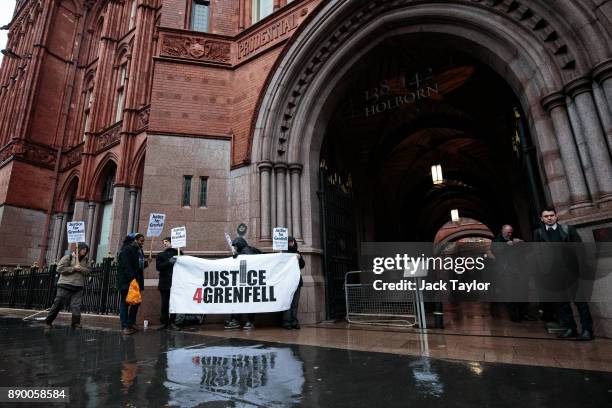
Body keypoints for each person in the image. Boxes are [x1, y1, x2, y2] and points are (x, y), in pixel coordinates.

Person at [533, 207, 593, 341]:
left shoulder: (568, 230)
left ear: (556, 216)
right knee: (562, 303)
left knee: (580, 302)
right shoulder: (539, 233)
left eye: (551, 215)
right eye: (546, 216)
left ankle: (587, 330)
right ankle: (570, 328)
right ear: (541, 219)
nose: (549, 218)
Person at [491, 225, 531, 322]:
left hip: (518, 270)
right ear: (502, 231)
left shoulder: (514, 238)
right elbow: (496, 252)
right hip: (506, 272)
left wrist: (521, 243)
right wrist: (506, 246)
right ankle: (514, 316)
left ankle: (523, 314)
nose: (510, 234)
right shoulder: (496, 241)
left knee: (522, 293)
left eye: (511, 232)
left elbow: (525, 251)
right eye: (508, 232)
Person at [45, 243, 90, 329]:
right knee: (58, 304)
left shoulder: (86, 260)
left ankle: (76, 323)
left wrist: (81, 269)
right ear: (78, 249)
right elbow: (59, 268)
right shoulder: (68, 257)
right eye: (83, 249)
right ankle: (48, 321)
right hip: (65, 285)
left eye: (86, 249)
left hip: (78, 286)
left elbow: (88, 271)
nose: (84, 251)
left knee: (76, 306)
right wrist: (73, 268)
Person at [224, 237, 259, 330]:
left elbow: (249, 258)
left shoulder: (246, 250)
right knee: (241, 301)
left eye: (236, 246)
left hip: (246, 281)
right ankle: (241, 320)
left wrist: (238, 255)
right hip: (244, 281)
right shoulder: (246, 249)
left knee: (244, 301)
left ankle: (244, 321)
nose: (235, 248)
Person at [117, 233, 146, 335]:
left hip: (136, 281)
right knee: (125, 303)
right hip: (127, 281)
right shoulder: (126, 249)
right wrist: (132, 279)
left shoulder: (139, 250)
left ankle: (131, 322)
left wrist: (146, 263)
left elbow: (139, 266)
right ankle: (125, 326)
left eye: (143, 241)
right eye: (141, 240)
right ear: (135, 240)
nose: (142, 243)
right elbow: (126, 266)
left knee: (136, 302)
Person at [282, 236, 305, 329]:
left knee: (295, 304)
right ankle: (286, 322)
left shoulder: (297, 253)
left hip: (297, 282)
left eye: (292, 242)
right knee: (287, 303)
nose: (291, 244)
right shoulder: (284, 254)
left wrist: (299, 258)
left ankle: (294, 321)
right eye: (289, 242)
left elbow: (302, 265)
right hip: (287, 282)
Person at [156, 237, 178, 330]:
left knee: (174, 303)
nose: (165, 243)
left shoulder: (179, 253)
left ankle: (172, 322)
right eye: (164, 242)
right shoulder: (161, 255)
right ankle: (164, 322)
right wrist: (169, 262)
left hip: (176, 282)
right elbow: (159, 267)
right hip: (165, 283)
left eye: (167, 241)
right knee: (165, 303)